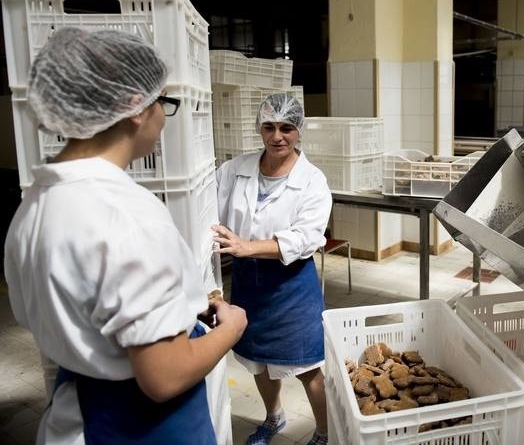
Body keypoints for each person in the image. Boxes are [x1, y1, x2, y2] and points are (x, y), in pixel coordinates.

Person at [3, 27, 247, 445]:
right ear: (136, 107)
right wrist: (232, 329)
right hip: (144, 428)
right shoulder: (127, 216)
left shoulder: (34, 206)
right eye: (163, 104)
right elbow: (164, 376)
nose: (163, 121)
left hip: (77, 414)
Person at [213, 93, 332, 445]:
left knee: (307, 365)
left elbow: (307, 237)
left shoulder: (312, 180)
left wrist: (247, 246)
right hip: (249, 282)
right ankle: (273, 417)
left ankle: (325, 432)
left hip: (291, 285)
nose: (277, 136)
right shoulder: (235, 169)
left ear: (299, 131)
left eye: (286, 128)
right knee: (258, 360)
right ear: (259, 129)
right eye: (269, 127)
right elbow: (210, 211)